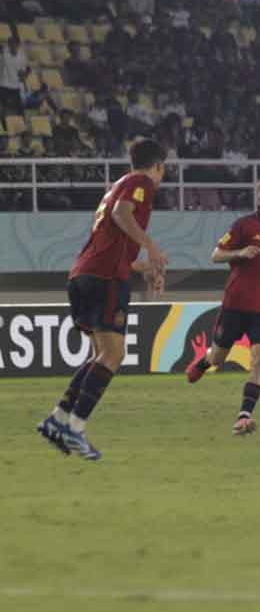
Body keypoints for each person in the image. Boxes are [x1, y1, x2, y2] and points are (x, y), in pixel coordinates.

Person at [35, 138, 169, 460]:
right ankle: (75, 429)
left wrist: (144, 268)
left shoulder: (117, 185)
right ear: (159, 167)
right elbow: (124, 215)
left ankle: (57, 419)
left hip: (85, 274)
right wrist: (150, 245)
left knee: (99, 354)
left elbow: (114, 240)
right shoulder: (141, 182)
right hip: (105, 279)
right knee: (114, 354)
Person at [186, 176, 260, 434]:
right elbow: (215, 255)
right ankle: (204, 364)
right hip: (236, 303)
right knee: (218, 356)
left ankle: (244, 415)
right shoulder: (243, 226)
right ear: (259, 198)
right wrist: (239, 253)